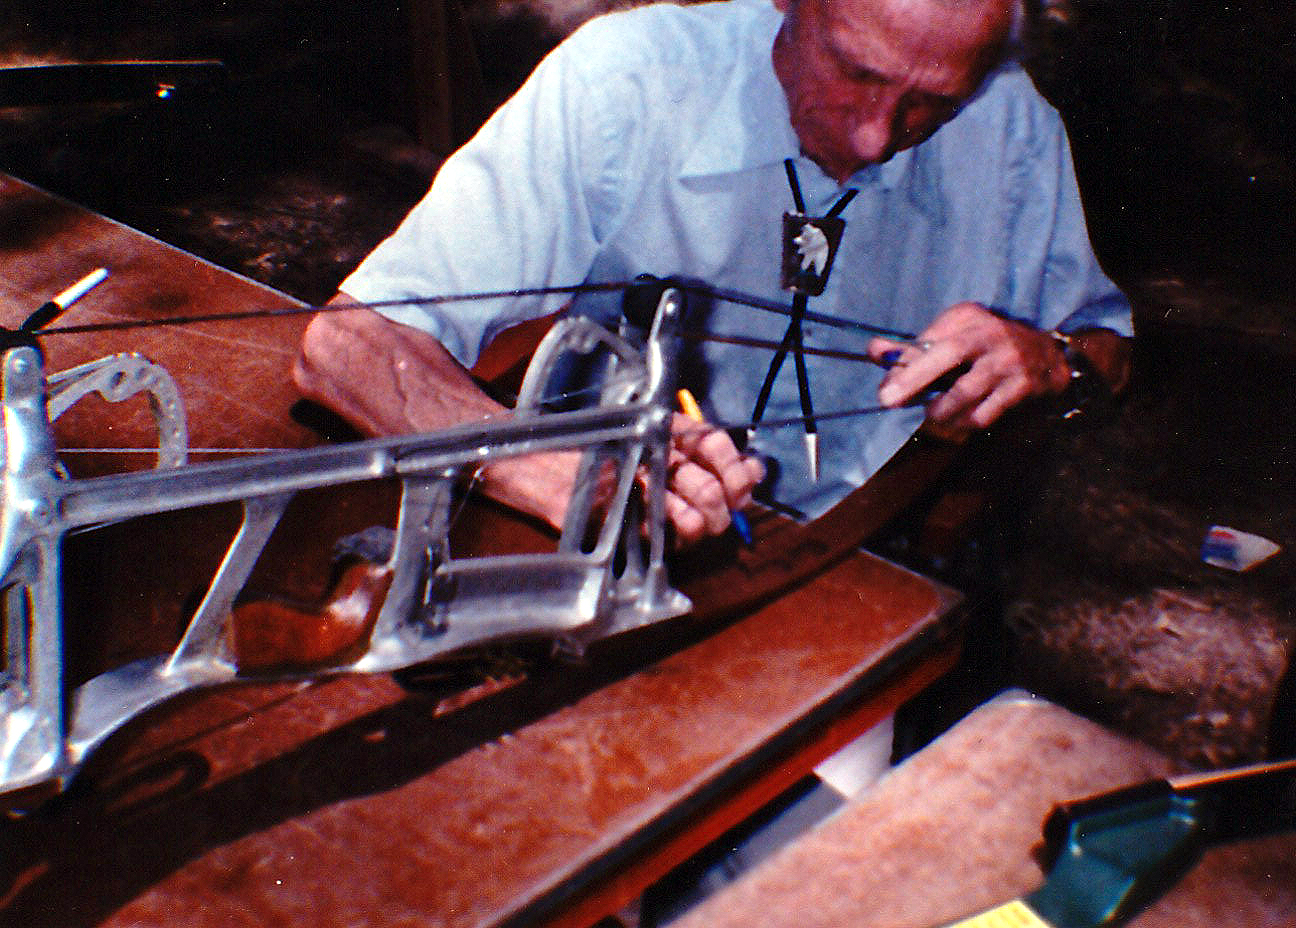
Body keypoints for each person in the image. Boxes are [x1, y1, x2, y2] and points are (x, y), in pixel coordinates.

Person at [294, 0, 1133, 545]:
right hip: (587, 532)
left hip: (867, 545)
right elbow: (347, 344)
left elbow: (1108, 348)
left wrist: (1051, 356)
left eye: (932, 102)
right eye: (856, 72)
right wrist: (542, 469)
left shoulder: (1014, 128)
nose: (879, 136)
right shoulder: (625, 81)